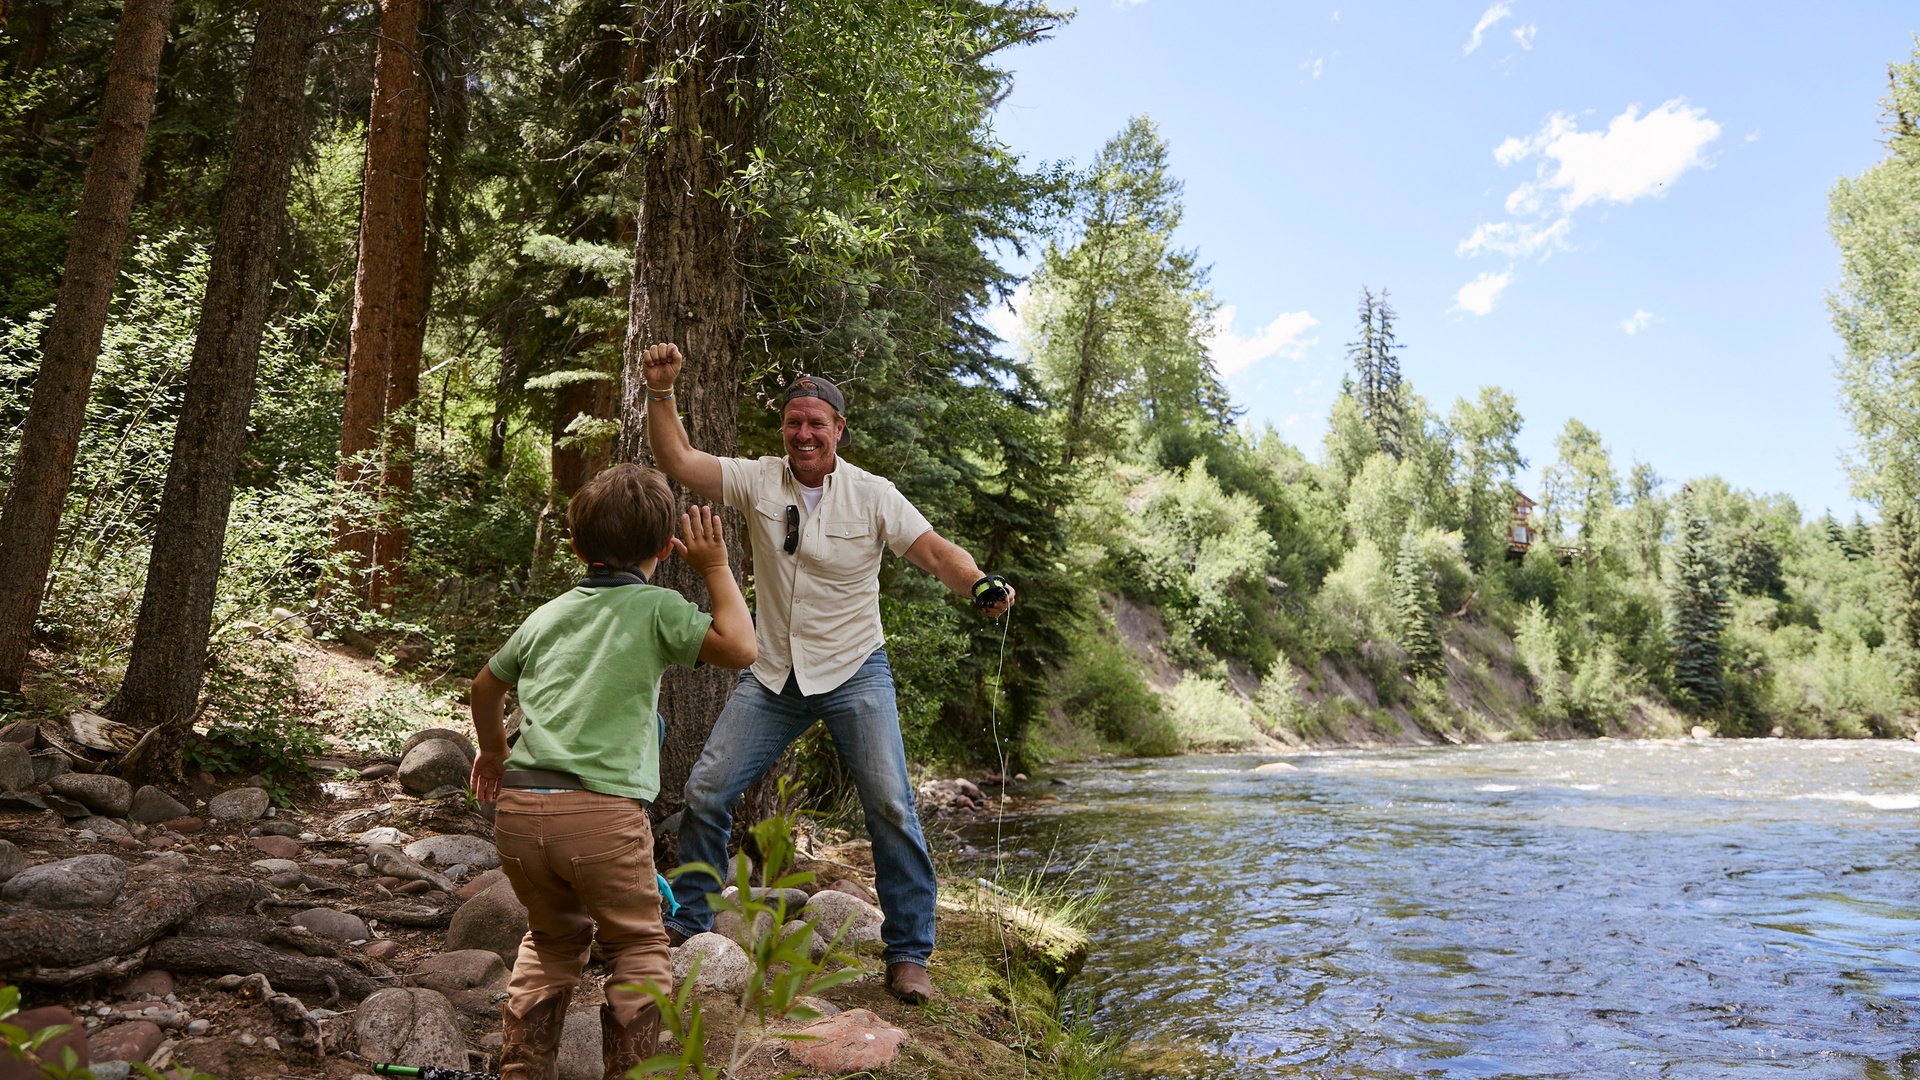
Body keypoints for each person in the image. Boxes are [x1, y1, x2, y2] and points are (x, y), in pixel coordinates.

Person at [638, 341, 1015, 1005]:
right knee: (706, 791)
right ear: (784, 431)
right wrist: (663, 391)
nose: (805, 433)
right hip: (774, 677)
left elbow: (933, 552)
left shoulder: (874, 495)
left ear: (839, 429)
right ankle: (693, 925)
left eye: (817, 423)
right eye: (794, 423)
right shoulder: (758, 480)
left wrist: (979, 582)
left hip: (855, 670)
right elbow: (679, 461)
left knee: (892, 806)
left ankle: (908, 954)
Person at [468, 463, 757, 1080]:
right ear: (663, 548)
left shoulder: (546, 615)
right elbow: (740, 647)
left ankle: (521, 1072)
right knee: (639, 948)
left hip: (519, 811)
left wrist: (492, 753)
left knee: (550, 941)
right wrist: (713, 567)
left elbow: (485, 686)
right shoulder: (657, 607)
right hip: (602, 816)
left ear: (574, 545)